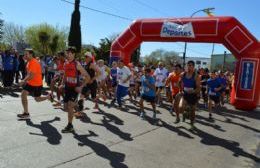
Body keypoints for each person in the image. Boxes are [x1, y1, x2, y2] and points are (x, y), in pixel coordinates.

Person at [59, 46, 90, 133]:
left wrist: (81, 86)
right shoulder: (65, 63)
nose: (68, 55)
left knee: (69, 106)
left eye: (69, 53)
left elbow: (87, 77)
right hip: (67, 88)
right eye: (67, 53)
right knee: (65, 108)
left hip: (75, 88)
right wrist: (62, 84)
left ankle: (70, 126)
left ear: (74, 54)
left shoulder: (77, 64)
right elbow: (65, 75)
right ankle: (78, 106)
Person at [17, 49, 52, 119]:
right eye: (24, 54)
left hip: (37, 84)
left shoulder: (33, 62)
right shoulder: (29, 62)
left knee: (37, 99)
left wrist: (23, 81)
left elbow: (32, 75)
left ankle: (48, 97)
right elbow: (29, 74)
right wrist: (24, 80)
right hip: (31, 83)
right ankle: (26, 113)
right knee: (23, 94)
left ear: (31, 54)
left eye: (26, 54)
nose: (25, 55)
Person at [76, 51, 100, 116]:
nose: (85, 58)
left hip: (92, 83)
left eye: (86, 57)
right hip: (86, 83)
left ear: (89, 58)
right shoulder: (86, 64)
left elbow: (99, 72)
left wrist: (92, 79)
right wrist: (83, 79)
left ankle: (96, 104)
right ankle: (80, 111)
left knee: (93, 97)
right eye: (84, 56)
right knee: (81, 96)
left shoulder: (92, 64)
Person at [179, 60, 201, 129]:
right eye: (188, 65)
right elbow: (179, 83)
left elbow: (198, 88)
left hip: (193, 95)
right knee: (180, 108)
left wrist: (193, 91)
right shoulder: (183, 74)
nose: (189, 67)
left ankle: (192, 124)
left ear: (193, 67)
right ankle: (185, 112)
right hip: (185, 93)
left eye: (190, 65)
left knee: (193, 111)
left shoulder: (196, 76)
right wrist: (181, 90)